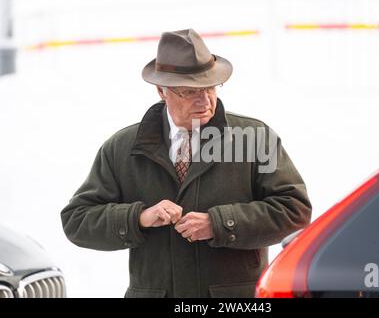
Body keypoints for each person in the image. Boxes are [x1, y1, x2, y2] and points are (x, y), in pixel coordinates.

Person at [60, 28, 312, 298]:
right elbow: (77, 220)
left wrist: (219, 223)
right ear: (161, 91)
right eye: (189, 92)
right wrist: (139, 218)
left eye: (210, 88)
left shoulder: (253, 138)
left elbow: (294, 210)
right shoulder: (122, 147)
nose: (204, 101)